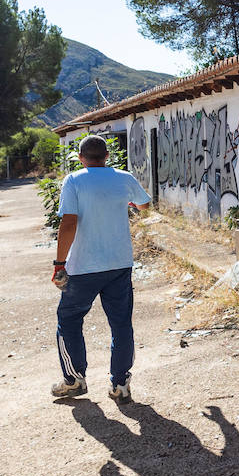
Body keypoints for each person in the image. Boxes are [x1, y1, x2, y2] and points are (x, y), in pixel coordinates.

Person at [51, 134, 151, 403]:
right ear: (107, 157)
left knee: (69, 320)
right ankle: (120, 384)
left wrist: (60, 263)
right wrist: (124, 202)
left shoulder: (73, 180)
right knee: (121, 324)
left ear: (81, 158)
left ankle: (74, 380)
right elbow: (144, 205)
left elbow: (69, 223)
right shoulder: (123, 178)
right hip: (119, 264)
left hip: (83, 266)